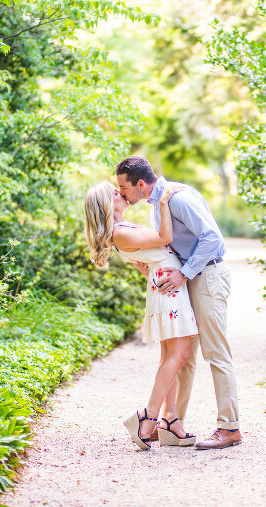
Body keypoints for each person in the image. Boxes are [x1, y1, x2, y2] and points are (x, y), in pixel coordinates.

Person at [115, 156, 241, 450]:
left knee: (216, 353)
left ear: (140, 184)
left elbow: (212, 238)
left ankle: (229, 427)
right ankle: (172, 423)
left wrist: (183, 273)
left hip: (207, 274)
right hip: (189, 279)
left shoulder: (178, 199)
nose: (121, 193)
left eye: (123, 187)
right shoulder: (157, 206)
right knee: (185, 356)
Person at [84, 180, 197, 450]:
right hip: (168, 292)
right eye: (115, 192)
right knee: (179, 355)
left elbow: (146, 255)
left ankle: (169, 422)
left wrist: (146, 265)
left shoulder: (123, 229)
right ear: (106, 203)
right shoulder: (119, 232)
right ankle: (147, 417)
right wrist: (162, 202)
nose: (121, 193)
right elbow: (164, 238)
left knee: (170, 358)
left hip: (165, 286)